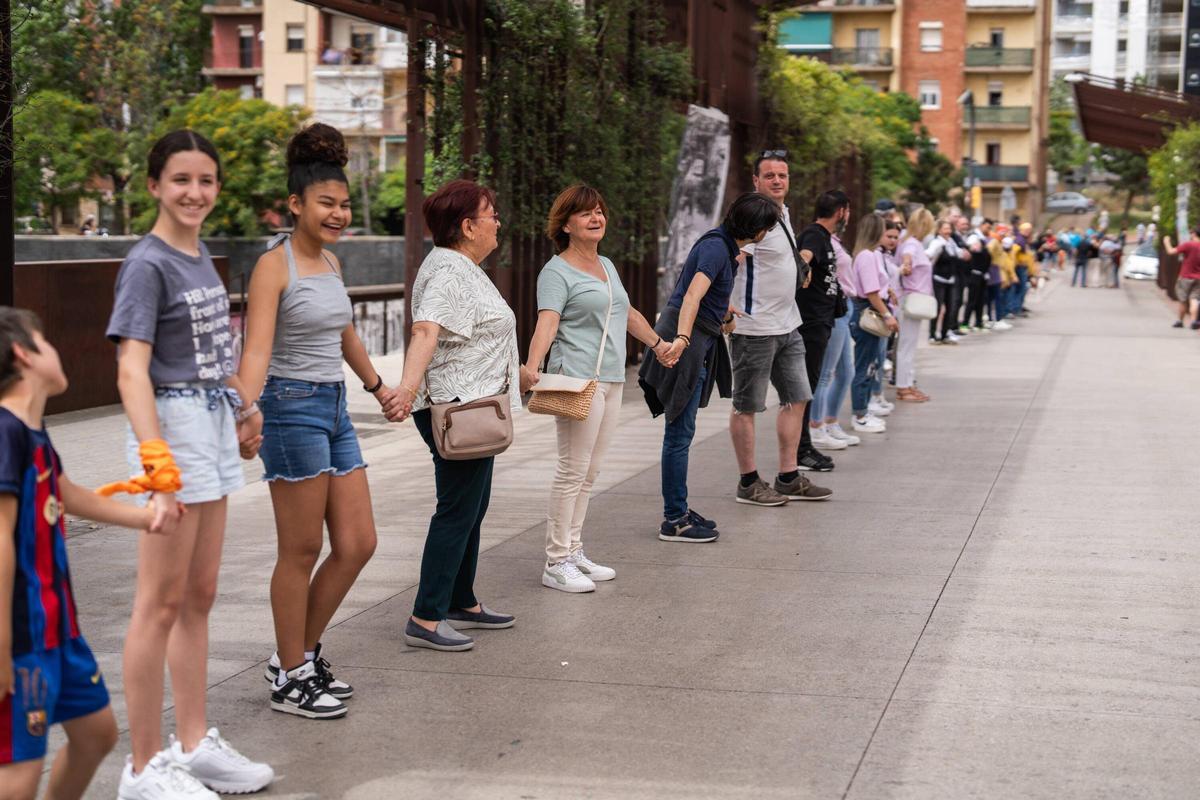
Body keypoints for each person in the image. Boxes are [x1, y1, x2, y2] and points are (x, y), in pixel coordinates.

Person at [106, 130, 273, 799]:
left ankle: (195, 744)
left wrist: (240, 406)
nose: (194, 192)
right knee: (159, 603)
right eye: (180, 180)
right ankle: (143, 768)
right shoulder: (146, 264)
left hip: (207, 423)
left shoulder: (202, 256)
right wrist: (156, 464)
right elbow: (130, 370)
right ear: (153, 185)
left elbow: (206, 358)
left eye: (206, 180)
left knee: (199, 597)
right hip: (170, 433)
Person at [237, 124, 392, 718]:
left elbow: (344, 332)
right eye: (326, 204)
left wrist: (378, 387)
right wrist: (245, 406)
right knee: (300, 549)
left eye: (344, 204)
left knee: (358, 543)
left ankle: (296, 654)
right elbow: (255, 352)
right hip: (288, 407)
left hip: (332, 406)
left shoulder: (328, 260)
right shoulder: (273, 267)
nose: (338, 213)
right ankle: (290, 675)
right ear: (296, 205)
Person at [0, 309, 171, 800]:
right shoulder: (5, 435)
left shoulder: (33, 430)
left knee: (96, 734)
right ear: (23, 355)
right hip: (22, 640)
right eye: (45, 341)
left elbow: (66, 493)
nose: (55, 350)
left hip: (62, 634)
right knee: (18, 773)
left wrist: (145, 517)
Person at [383, 180, 518, 652]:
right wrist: (405, 389)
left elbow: (476, 337)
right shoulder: (448, 270)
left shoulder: (463, 267)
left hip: (475, 403)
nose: (497, 221)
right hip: (457, 409)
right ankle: (426, 615)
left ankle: (461, 599)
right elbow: (426, 330)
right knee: (457, 510)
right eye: (491, 214)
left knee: (472, 506)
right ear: (467, 226)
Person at [521, 185, 675, 593]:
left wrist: (658, 346)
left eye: (599, 211)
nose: (596, 218)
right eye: (585, 213)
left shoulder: (605, 264)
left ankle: (573, 550)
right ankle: (555, 561)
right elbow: (547, 323)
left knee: (590, 472)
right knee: (572, 469)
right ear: (566, 224)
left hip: (610, 378)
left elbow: (627, 313)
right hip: (576, 379)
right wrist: (532, 367)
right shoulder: (556, 271)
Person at [639, 193, 781, 543]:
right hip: (686, 343)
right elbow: (692, 295)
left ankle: (680, 509)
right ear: (758, 230)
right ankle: (675, 519)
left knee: (681, 431)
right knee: (679, 433)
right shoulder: (718, 249)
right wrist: (684, 340)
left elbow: (707, 293)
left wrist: (726, 313)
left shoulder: (722, 245)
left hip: (697, 340)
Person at [726, 153, 830, 506]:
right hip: (755, 328)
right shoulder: (751, 216)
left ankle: (787, 476)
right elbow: (731, 256)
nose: (777, 181)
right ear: (755, 180)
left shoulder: (781, 213)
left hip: (789, 324)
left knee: (798, 397)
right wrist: (722, 301)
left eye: (782, 175)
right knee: (747, 406)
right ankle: (748, 481)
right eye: (769, 175)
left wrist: (799, 269)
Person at [794, 190, 851, 473]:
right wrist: (802, 271)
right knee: (805, 388)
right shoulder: (814, 234)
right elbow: (803, 258)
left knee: (810, 386)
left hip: (822, 321)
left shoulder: (824, 237)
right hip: (811, 324)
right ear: (841, 212)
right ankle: (800, 450)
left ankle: (803, 447)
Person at [808, 228, 861, 449]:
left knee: (847, 371)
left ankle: (830, 422)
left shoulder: (834, 241)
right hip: (833, 307)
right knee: (825, 373)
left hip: (844, 306)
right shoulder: (818, 239)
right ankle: (816, 427)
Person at [846, 214, 898, 432]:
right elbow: (871, 292)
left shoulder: (869, 255)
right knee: (864, 365)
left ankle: (864, 409)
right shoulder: (867, 256)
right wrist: (887, 315)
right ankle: (859, 414)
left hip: (871, 308)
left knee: (871, 363)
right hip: (868, 311)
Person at [894, 208, 935, 402]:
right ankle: (903, 387)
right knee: (906, 345)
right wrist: (907, 263)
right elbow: (907, 256)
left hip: (913, 299)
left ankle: (908, 384)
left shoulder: (911, 242)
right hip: (911, 299)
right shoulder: (911, 243)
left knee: (909, 345)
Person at [926, 219, 960, 344]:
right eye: (945, 229)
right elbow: (928, 253)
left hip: (950, 279)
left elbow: (959, 253)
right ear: (939, 230)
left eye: (949, 229)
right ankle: (932, 334)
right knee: (938, 307)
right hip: (939, 279)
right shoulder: (937, 243)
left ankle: (945, 334)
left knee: (950, 306)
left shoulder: (951, 242)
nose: (948, 231)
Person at [1163, 229, 1200, 329]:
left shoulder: (1189, 245)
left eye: (1191, 233)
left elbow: (1171, 251)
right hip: (1198, 278)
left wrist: (1166, 241)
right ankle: (1193, 321)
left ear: (1194, 234)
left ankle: (1180, 321)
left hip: (1186, 276)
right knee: (1194, 299)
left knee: (1183, 300)